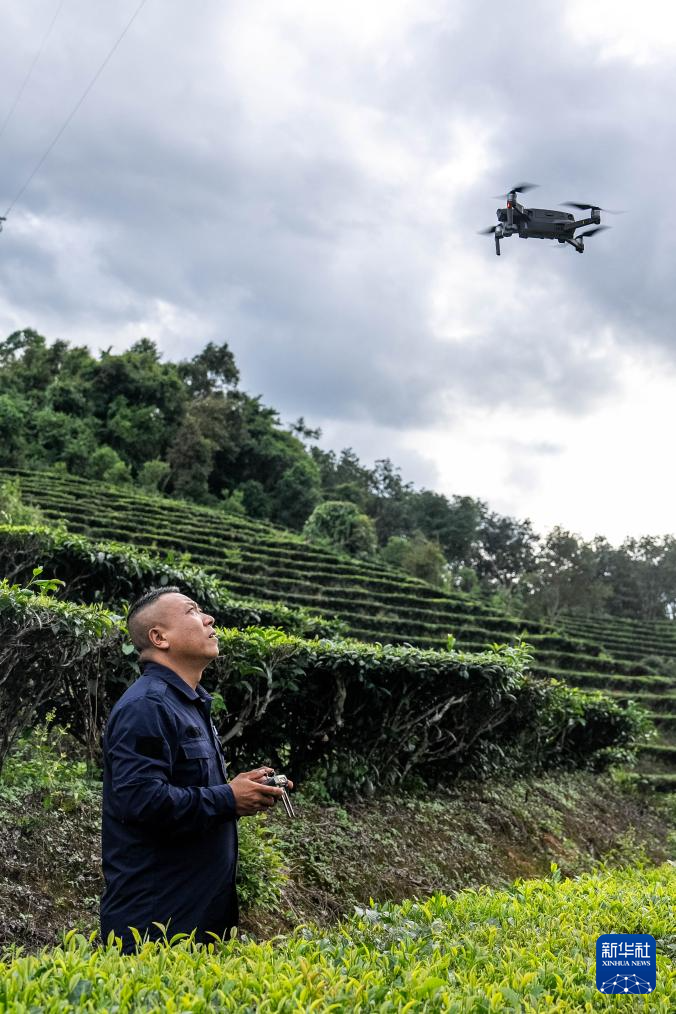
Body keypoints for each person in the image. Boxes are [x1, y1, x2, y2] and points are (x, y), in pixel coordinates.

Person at [100, 585, 290, 953]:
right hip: (155, 925)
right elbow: (139, 801)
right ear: (159, 637)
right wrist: (228, 797)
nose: (208, 618)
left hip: (197, 918)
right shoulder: (146, 706)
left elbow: (190, 790)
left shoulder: (187, 703)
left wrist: (240, 790)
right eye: (191, 611)